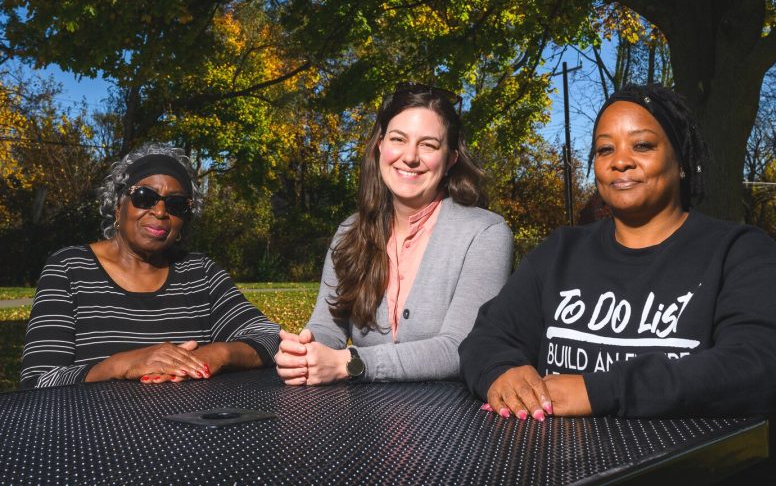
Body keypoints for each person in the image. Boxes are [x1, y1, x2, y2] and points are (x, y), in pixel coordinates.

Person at [459, 84, 776, 480]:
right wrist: (502, 370)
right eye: (605, 150)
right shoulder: (561, 252)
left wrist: (599, 390)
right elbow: (487, 336)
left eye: (642, 146)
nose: (620, 162)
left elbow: (766, 364)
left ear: (681, 161)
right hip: (573, 471)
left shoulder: (738, 252)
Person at [276, 84, 513, 384]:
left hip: (451, 420)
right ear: (380, 146)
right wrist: (304, 351)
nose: (410, 157)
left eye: (428, 145)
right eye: (398, 139)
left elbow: (461, 347)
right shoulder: (350, 232)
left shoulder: (485, 234)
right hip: (364, 418)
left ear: (451, 159)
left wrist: (351, 363)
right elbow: (327, 328)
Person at [20, 143, 280, 389]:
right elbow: (38, 381)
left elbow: (270, 338)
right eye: (145, 197)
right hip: (96, 431)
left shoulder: (200, 273)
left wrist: (216, 354)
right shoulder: (69, 268)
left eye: (176, 204)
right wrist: (120, 364)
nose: (160, 211)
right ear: (117, 203)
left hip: (192, 430)